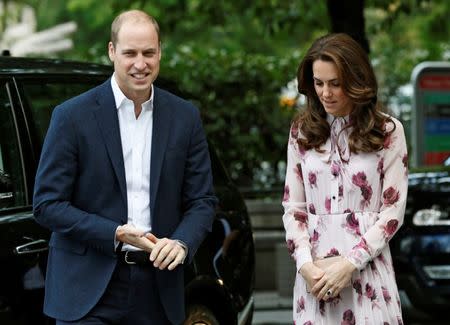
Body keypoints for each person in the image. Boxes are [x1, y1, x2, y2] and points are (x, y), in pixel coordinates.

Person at [33, 9, 217, 325]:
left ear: (160, 52)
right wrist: (115, 233)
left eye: (149, 53)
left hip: (158, 287)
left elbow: (203, 201)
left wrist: (182, 242)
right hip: (86, 291)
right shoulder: (71, 117)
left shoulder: (185, 117)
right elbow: (47, 205)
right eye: (129, 53)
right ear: (111, 52)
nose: (140, 63)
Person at [282, 33, 408, 324]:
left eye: (335, 83)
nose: (325, 93)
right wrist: (304, 265)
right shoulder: (301, 131)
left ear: (355, 80)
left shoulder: (388, 131)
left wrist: (350, 264)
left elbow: (392, 212)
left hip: (369, 274)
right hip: (314, 277)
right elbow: (293, 207)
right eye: (319, 83)